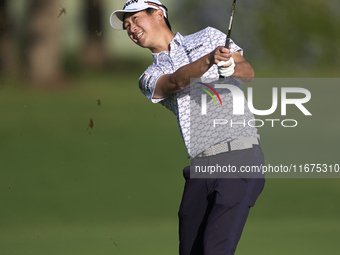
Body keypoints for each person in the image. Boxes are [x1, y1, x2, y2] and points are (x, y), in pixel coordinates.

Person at [110, 1, 265, 254]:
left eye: (135, 19)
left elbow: (248, 72)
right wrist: (209, 60)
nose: (131, 29)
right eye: (127, 26)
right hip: (200, 167)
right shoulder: (148, 77)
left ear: (158, 13)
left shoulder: (209, 36)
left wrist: (230, 66)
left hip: (240, 155)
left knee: (216, 249)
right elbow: (176, 81)